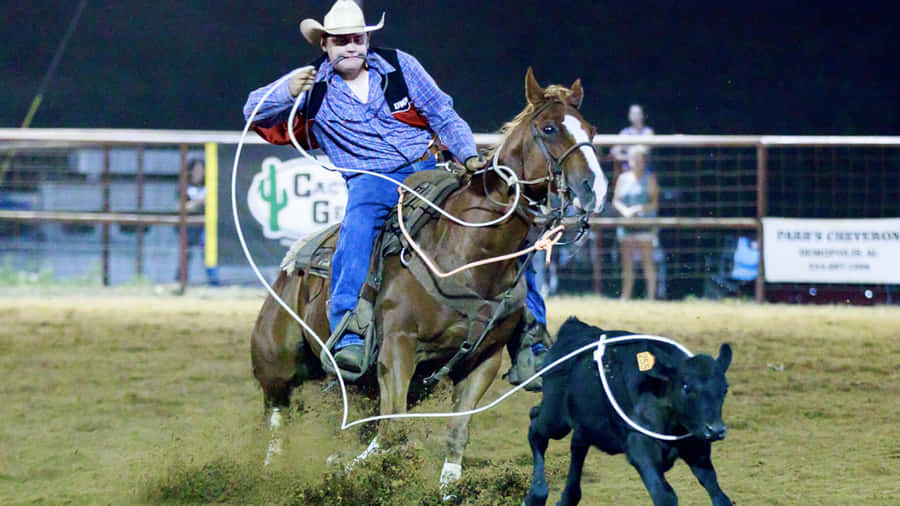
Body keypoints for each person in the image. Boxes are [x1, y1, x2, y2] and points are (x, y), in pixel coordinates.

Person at [243, 0, 549, 377]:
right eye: (341, 41)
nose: (351, 46)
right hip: (372, 181)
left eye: (357, 38)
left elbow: (441, 112)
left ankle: (532, 336)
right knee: (357, 229)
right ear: (325, 45)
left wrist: (468, 155)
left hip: (429, 168)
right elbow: (252, 112)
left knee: (502, 222)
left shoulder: (401, 66)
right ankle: (348, 329)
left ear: (367, 40)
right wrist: (285, 90)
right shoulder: (312, 89)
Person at [612, 145, 659, 300]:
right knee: (627, 263)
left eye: (640, 159)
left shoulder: (649, 178)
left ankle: (651, 297)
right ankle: (625, 296)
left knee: (647, 262)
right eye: (634, 159)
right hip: (626, 225)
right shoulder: (622, 178)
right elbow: (616, 200)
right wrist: (625, 211)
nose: (637, 162)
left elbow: (654, 203)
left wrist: (639, 208)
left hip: (644, 225)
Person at [176, 158, 221, 286]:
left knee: (207, 250)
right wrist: (198, 202)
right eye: (195, 170)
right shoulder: (185, 187)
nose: (198, 173)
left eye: (201, 170)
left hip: (206, 226)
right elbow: (182, 207)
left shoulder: (210, 186)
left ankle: (213, 281)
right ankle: (181, 281)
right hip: (189, 226)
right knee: (185, 254)